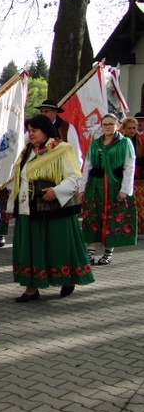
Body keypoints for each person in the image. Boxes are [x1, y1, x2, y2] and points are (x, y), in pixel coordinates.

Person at [9, 114, 94, 301]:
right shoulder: (27, 152)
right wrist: (11, 204)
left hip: (55, 209)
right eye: (28, 131)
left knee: (58, 246)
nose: (30, 134)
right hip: (28, 209)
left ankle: (67, 279)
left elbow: (74, 176)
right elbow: (20, 179)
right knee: (30, 248)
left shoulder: (63, 149)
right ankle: (31, 288)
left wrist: (56, 191)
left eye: (34, 130)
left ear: (45, 130)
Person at [80, 114, 137, 265]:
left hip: (114, 185)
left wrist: (125, 189)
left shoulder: (125, 143)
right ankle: (90, 253)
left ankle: (108, 252)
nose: (107, 127)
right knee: (93, 216)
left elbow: (129, 167)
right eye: (105, 124)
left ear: (117, 126)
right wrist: (82, 188)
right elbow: (87, 166)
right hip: (96, 185)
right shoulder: (95, 144)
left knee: (111, 216)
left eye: (111, 124)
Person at [39, 99, 83, 166]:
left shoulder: (66, 127)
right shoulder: (36, 127)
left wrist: (75, 172)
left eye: (46, 111)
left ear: (55, 112)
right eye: (41, 112)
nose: (43, 114)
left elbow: (75, 151)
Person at [121, 116, 144, 234]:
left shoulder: (141, 140)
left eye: (134, 128)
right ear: (124, 129)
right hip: (122, 176)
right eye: (129, 128)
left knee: (140, 204)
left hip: (139, 177)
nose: (132, 130)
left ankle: (137, 229)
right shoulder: (119, 141)